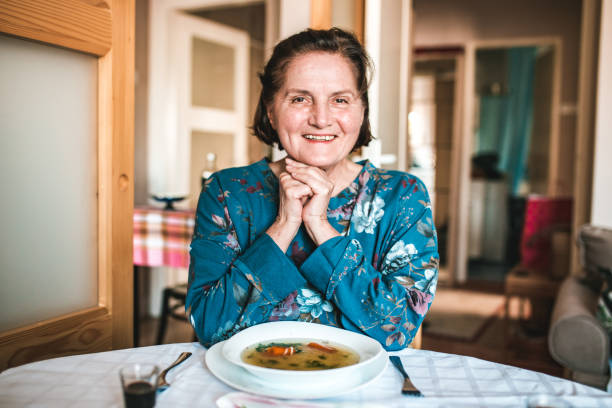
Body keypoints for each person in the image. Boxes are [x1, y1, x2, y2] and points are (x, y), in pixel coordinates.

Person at [186, 27, 438, 350]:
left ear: (362, 111)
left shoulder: (402, 197)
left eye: (340, 100)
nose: (321, 118)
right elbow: (209, 325)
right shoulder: (226, 192)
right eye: (300, 99)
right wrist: (284, 226)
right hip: (250, 386)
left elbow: (398, 329)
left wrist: (319, 226)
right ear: (270, 110)